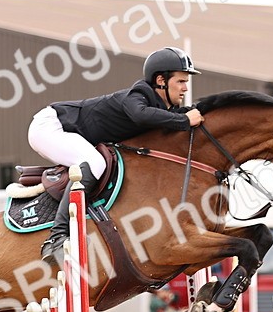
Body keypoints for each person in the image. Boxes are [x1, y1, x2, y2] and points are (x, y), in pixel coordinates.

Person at [27, 46, 205, 267]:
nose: (185, 88)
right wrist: (184, 121)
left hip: (63, 129)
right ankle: (56, 239)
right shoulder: (137, 95)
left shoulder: (158, 106)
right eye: (181, 81)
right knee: (94, 163)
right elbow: (141, 116)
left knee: (96, 163)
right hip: (49, 127)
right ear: (161, 80)